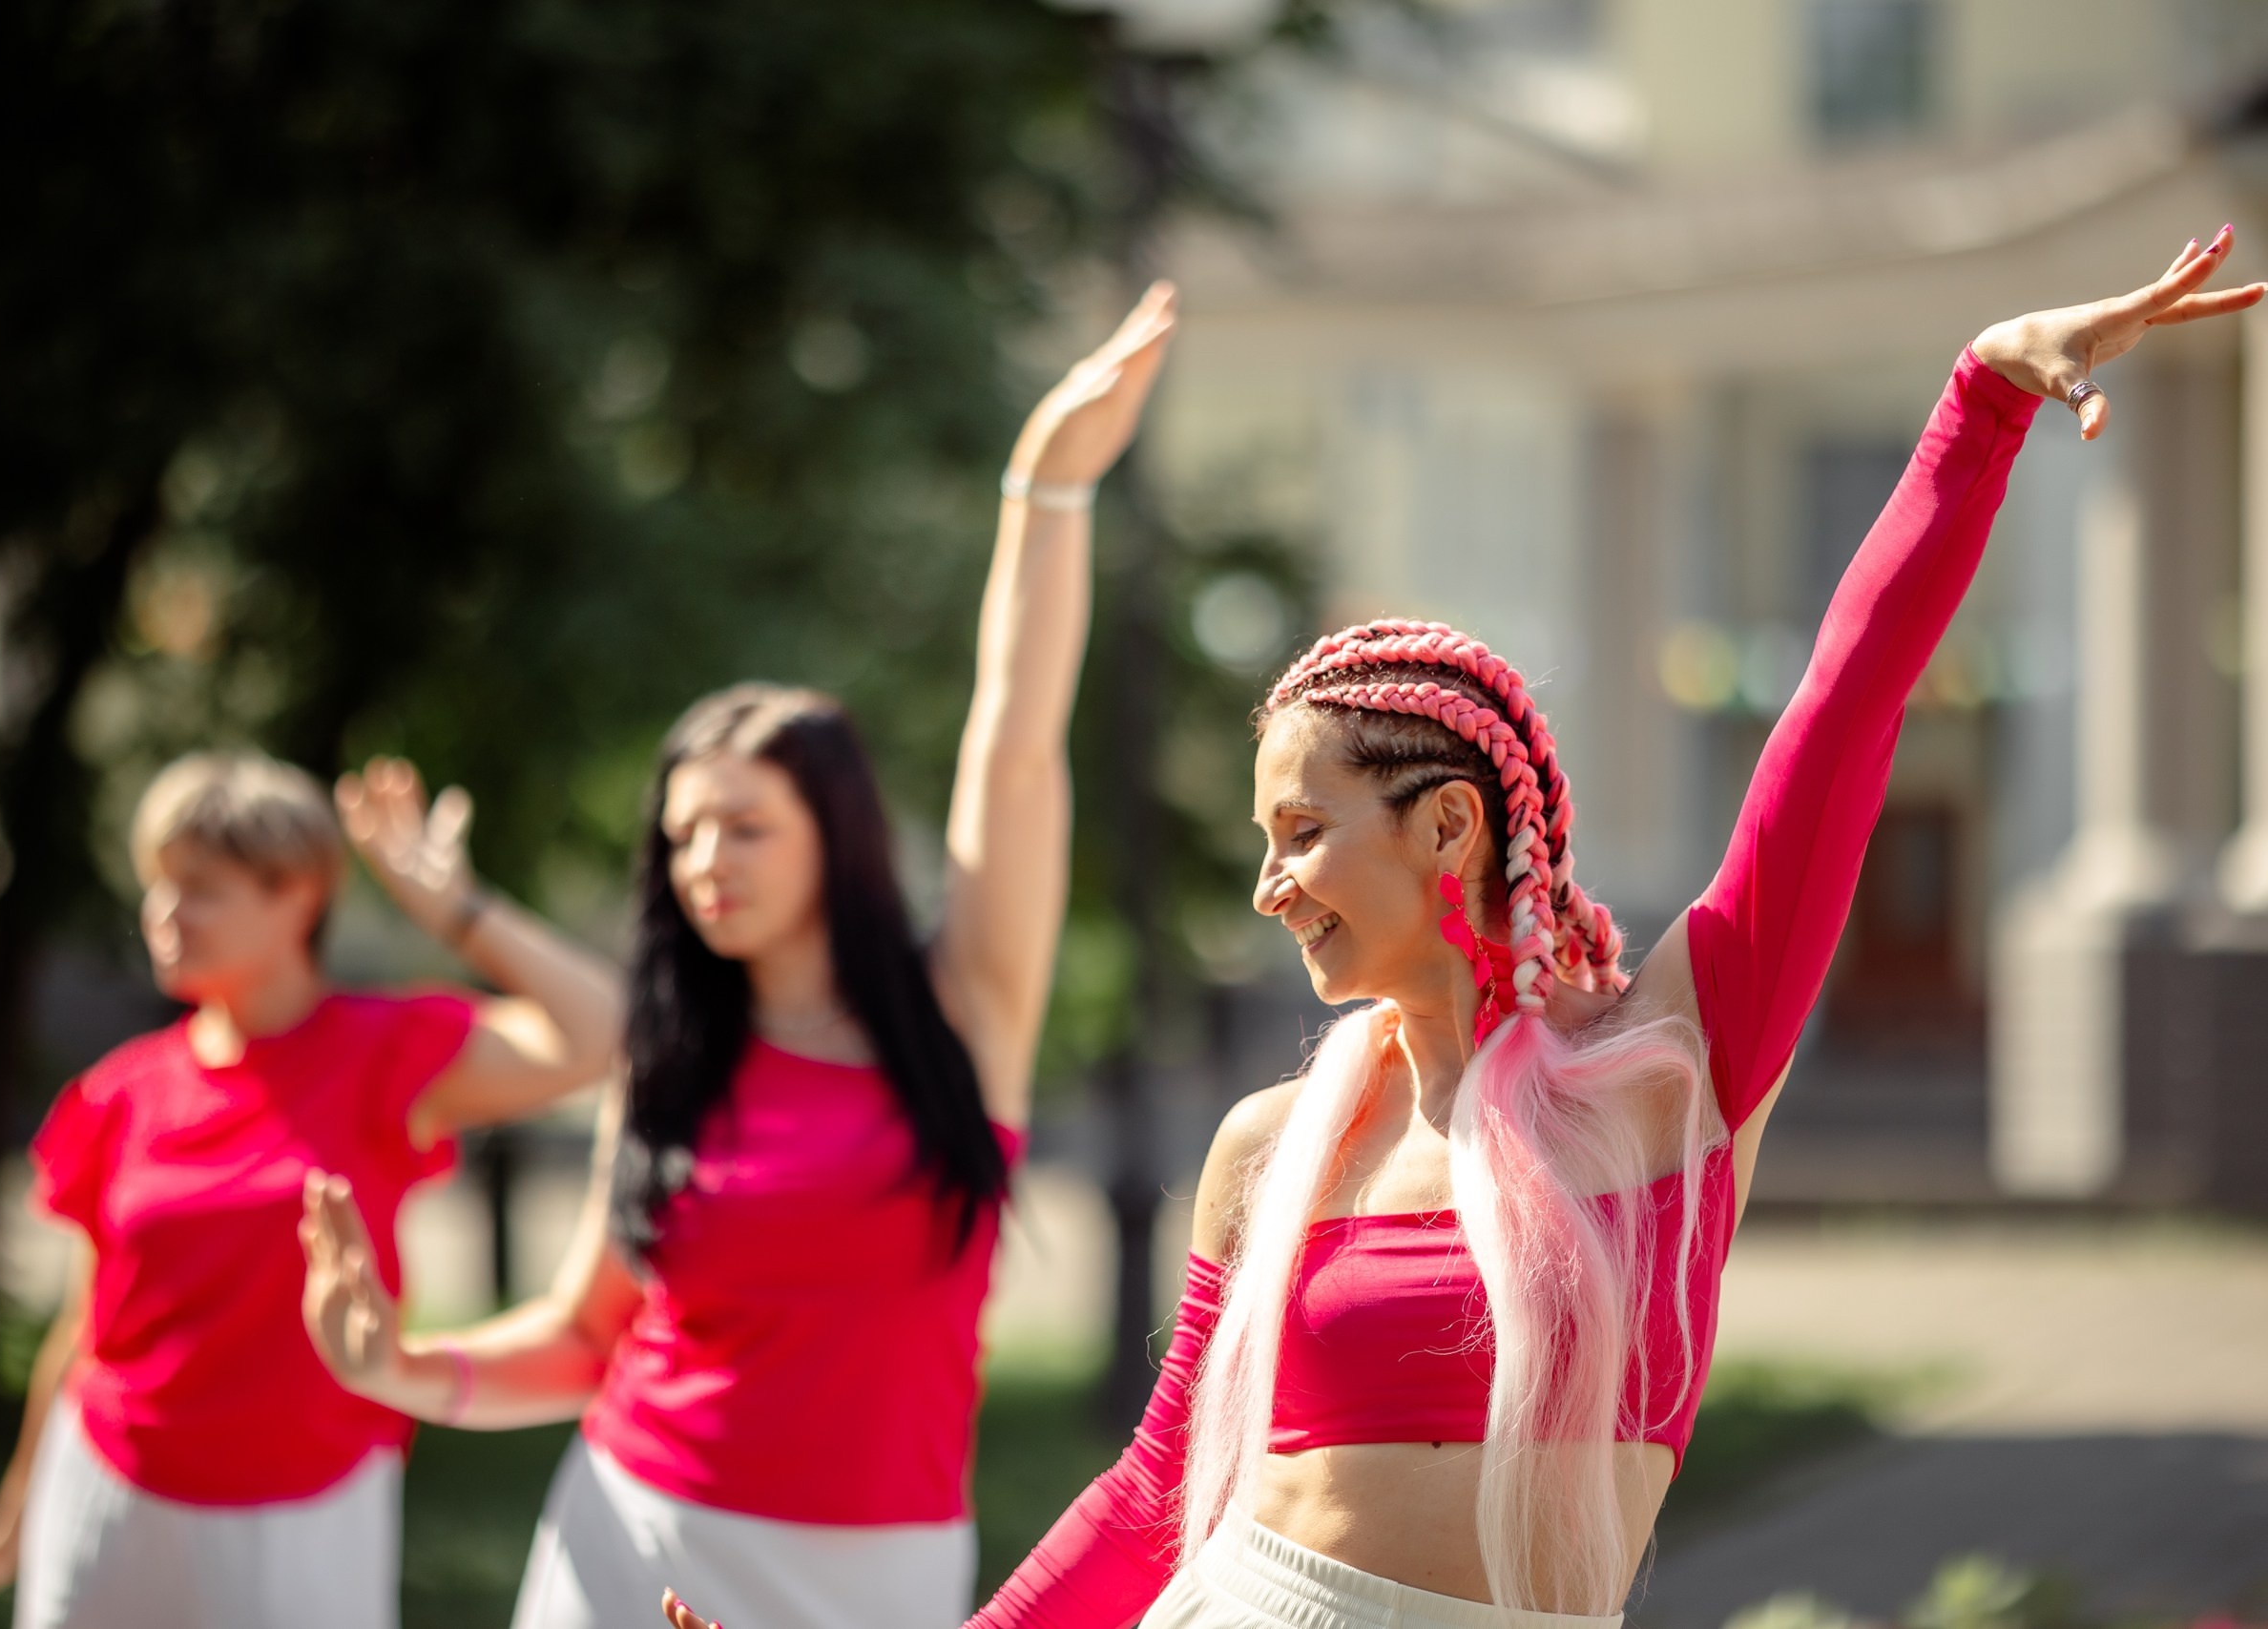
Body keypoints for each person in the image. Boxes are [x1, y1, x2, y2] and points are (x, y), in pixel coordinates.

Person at [655, 233, 2257, 1629]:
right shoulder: (1269, 1148)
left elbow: (1837, 719)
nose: (1271, 885)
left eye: (1301, 833)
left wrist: (1974, 407)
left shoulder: (1674, 1066)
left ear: (1447, 827)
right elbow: (1155, 1491)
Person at [297, 283, 1178, 1629]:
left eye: (747, 825)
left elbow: (1013, 737)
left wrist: (1043, 490)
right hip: (633, 1530)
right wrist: (398, 1366)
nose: (708, 858)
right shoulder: (673, 1064)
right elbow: (582, 1336)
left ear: (836, 834)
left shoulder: (964, 1010)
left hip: (877, 1571)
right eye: (685, 833)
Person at [0, 751, 624, 1629]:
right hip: (108, 1488)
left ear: (297, 896)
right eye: (157, 884)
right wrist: (10, 1523)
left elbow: (601, 1033)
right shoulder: (121, 1090)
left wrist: (452, 907)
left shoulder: (387, 1051)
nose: (165, 913)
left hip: (306, 1505)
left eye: (201, 886)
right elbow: (87, 1329)